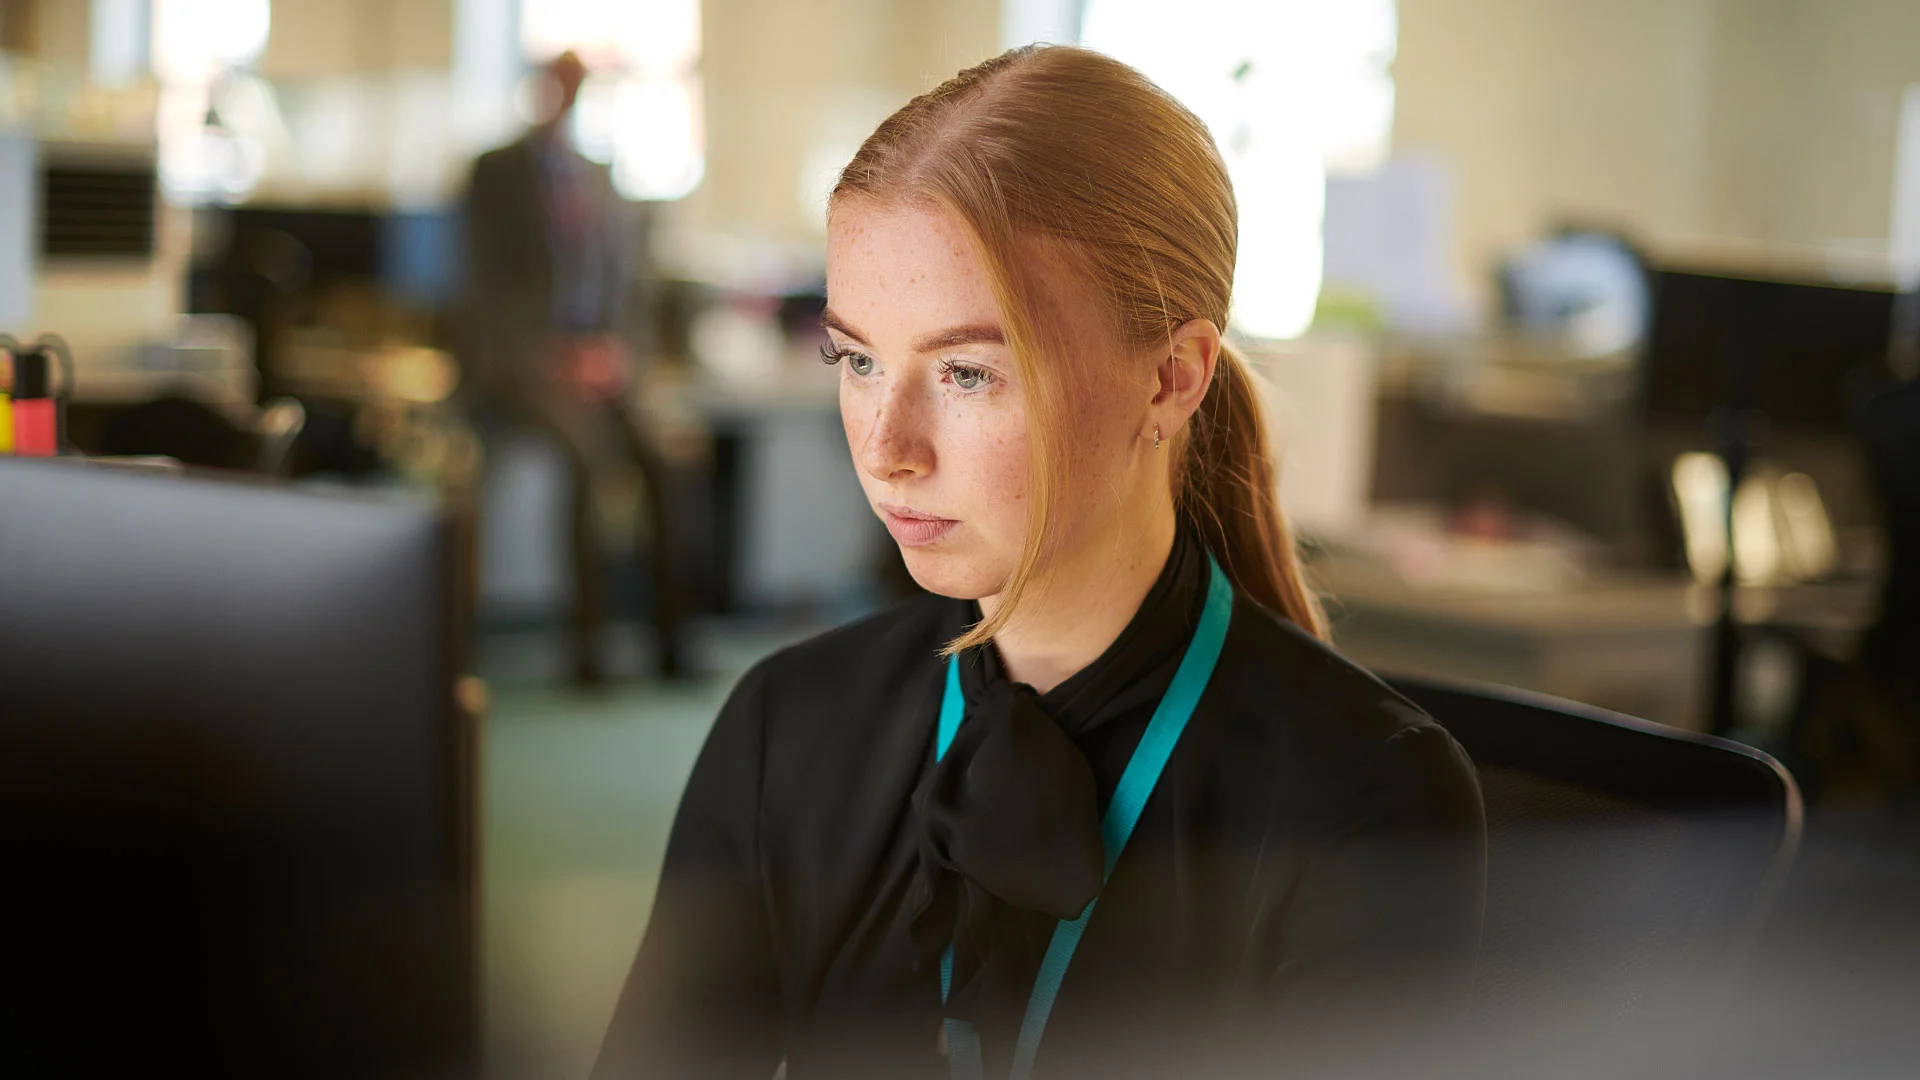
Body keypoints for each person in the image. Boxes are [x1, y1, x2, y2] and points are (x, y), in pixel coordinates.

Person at [594, 46, 1485, 1078]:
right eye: (859, 359)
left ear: (1171, 379)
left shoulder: (1366, 800)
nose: (886, 448)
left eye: (968, 374)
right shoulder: (786, 727)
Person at [460, 50, 687, 682]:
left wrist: (619, 353)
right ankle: (589, 647)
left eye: (577, 85)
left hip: (601, 361)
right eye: (559, 84)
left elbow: (627, 283)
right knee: (588, 461)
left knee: (667, 461)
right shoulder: (497, 172)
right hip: (527, 368)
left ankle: (672, 640)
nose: (568, 96)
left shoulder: (597, 176)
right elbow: (484, 287)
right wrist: (549, 358)